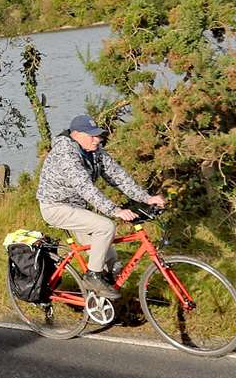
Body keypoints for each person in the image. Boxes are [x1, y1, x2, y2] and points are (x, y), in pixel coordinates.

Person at [36, 114, 164, 298]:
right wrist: (115, 211)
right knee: (106, 227)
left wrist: (146, 197)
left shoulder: (93, 151)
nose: (97, 140)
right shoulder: (65, 154)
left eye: (98, 135)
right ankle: (92, 276)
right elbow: (85, 187)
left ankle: (103, 302)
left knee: (108, 256)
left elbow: (117, 176)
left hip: (77, 208)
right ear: (77, 134)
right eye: (92, 136)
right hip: (55, 207)